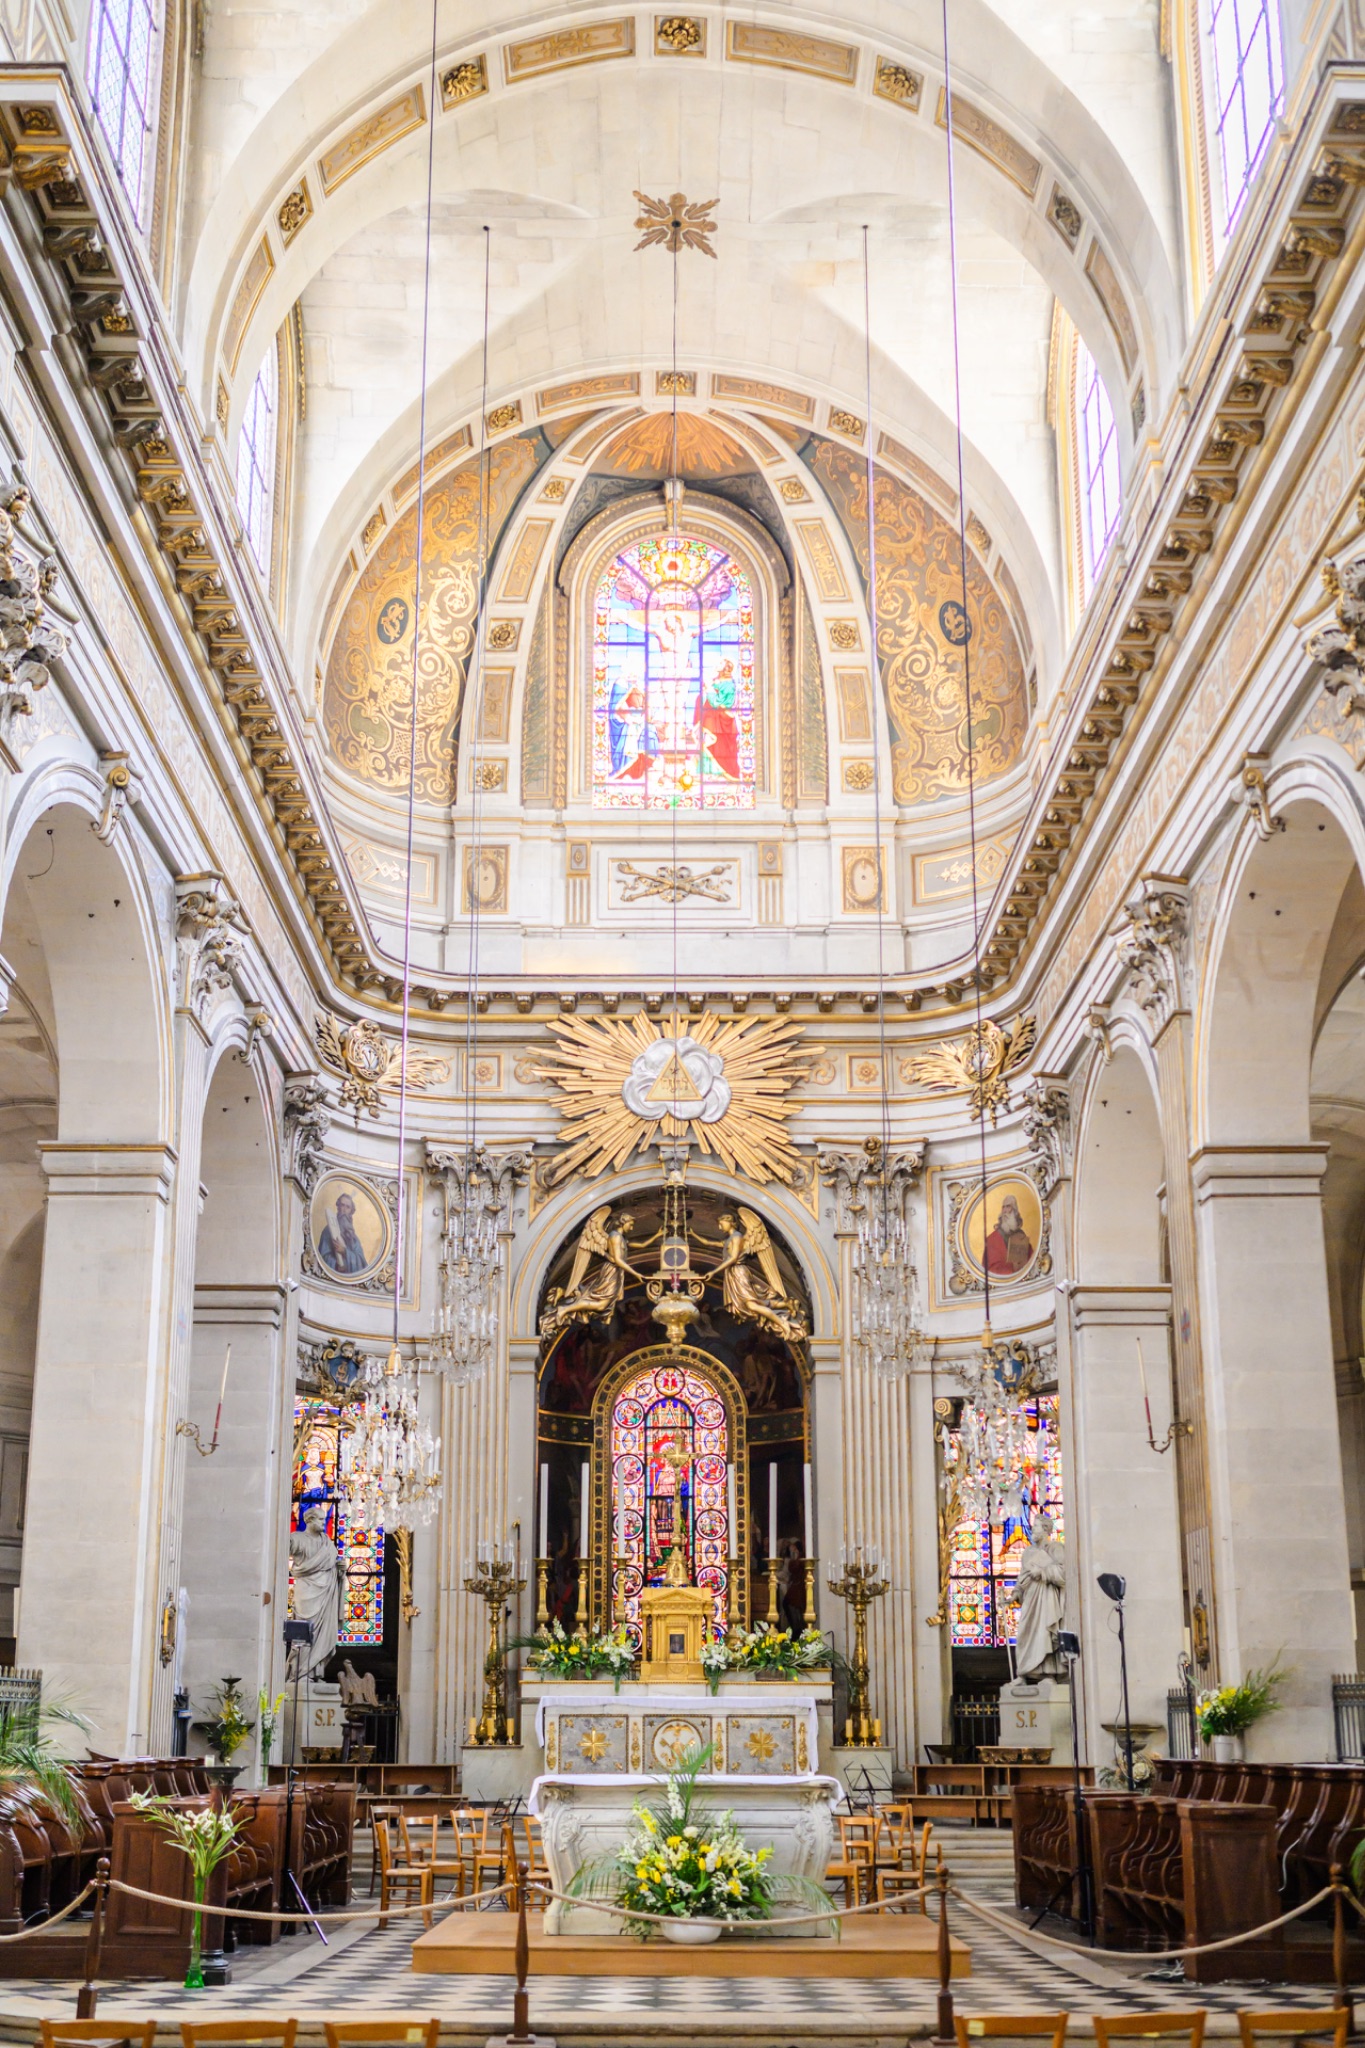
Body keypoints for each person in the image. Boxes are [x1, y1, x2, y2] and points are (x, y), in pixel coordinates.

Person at [287, 1504, 343, 1681]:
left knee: (321, 1634)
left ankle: (314, 1672)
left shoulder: (328, 1543)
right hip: (306, 1592)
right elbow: (280, 1555)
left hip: (326, 1593)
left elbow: (334, 1567)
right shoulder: (296, 1539)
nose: (324, 1523)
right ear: (309, 1520)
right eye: (320, 1519)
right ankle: (299, 1673)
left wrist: (341, 1570)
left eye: (324, 1520)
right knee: (304, 1632)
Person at [1013, 1513, 1066, 1681]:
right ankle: (1025, 1672)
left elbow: (1065, 1573)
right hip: (1031, 1598)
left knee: (1044, 1633)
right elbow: (1022, 1577)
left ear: (1045, 1529)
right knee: (1025, 1633)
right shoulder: (1028, 1552)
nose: (1031, 1529)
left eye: (1035, 1526)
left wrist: (1043, 1572)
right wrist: (1016, 1593)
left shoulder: (1056, 1548)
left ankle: (1047, 1673)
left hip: (1047, 1597)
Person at [318, 1190, 368, 1275]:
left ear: (351, 1211)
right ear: (338, 1207)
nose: (344, 1210)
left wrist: (344, 1251)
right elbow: (322, 1256)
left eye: (348, 1207)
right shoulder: (328, 1231)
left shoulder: (354, 1238)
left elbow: (361, 1262)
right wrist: (337, 1265)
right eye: (342, 1205)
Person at [983, 1194, 1034, 1276]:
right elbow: (989, 1270)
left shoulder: (1021, 1236)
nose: (1005, 1211)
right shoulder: (992, 1239)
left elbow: (1032, 1260)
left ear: (1014, 1210)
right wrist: (1011, 1267)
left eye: (1008, 1207)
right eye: (1003, 1207)